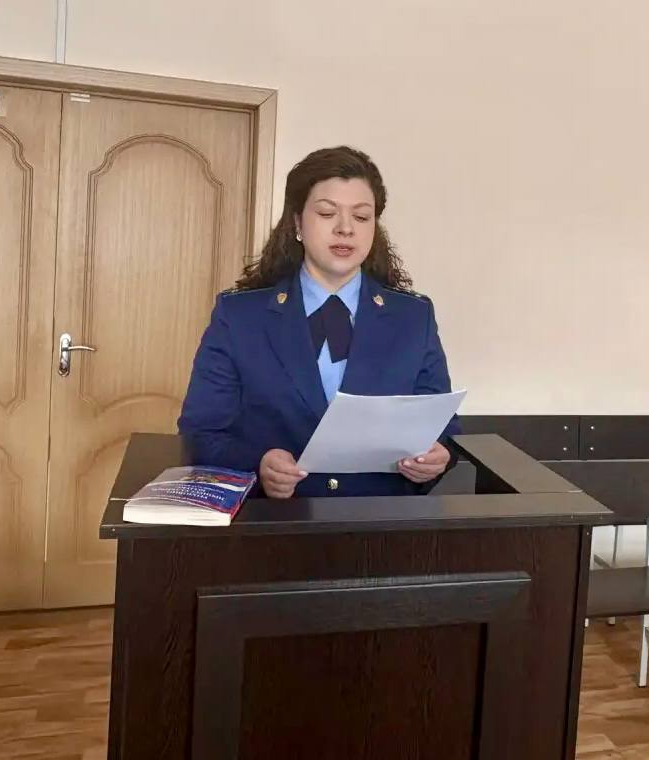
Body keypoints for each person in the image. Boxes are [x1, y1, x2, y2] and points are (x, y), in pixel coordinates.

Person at [177, 146, 460, 498]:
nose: (345, 229)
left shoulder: (414, 317)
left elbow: (443, 427)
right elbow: (200, 433)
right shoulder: (239, 317)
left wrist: (436, 458)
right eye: (327, 213)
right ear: (297, 223)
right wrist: (258, 464)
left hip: (380, 522)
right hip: (274, 520)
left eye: (361, 217)